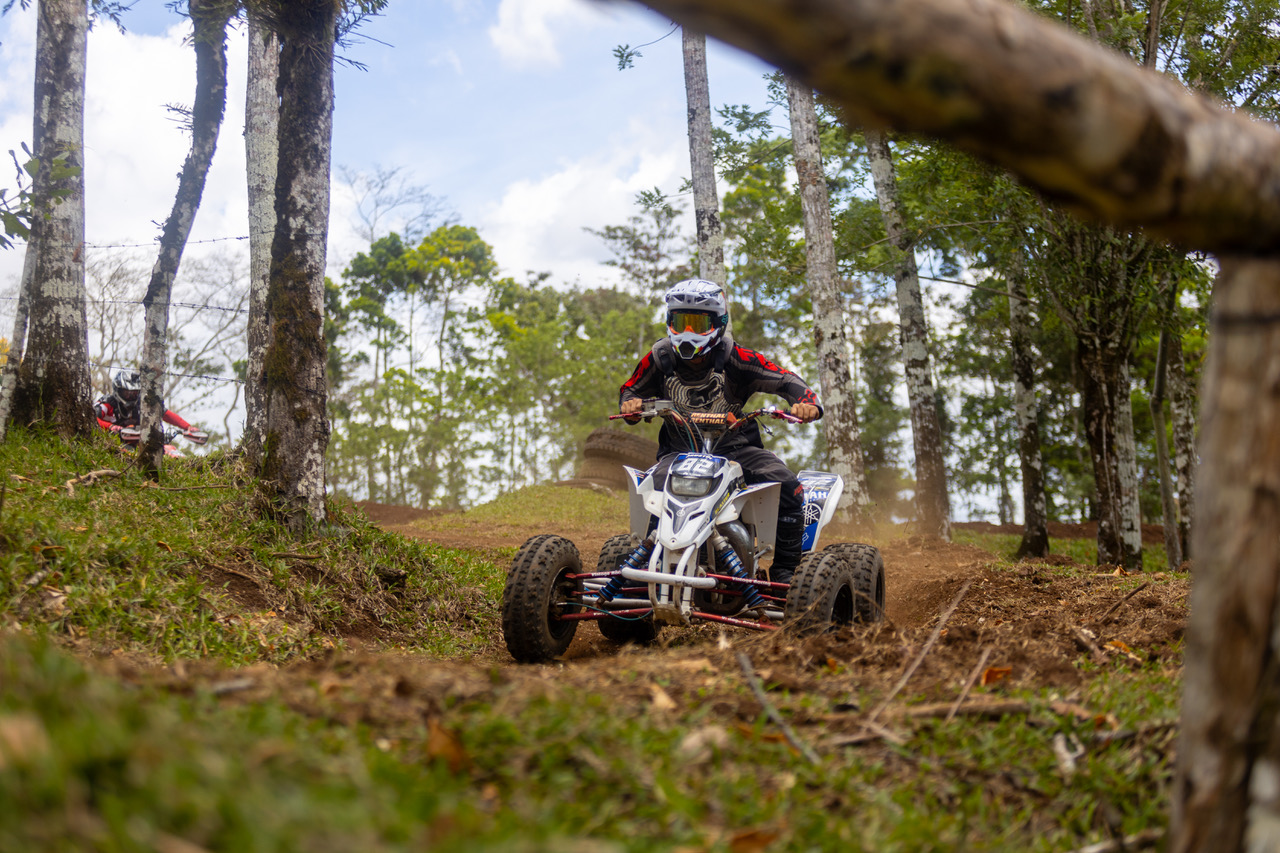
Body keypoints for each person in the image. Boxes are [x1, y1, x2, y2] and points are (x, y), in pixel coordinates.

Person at [618, 278, 822, 585]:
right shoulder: (660, 358)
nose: (688, 332)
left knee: (788, 485)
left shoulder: (737, 358)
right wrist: (630, 405)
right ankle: (648, 569)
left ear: (718, 322)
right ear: (668, 321)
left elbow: (784, 380)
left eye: (697, 323)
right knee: (653, 491)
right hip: (677, 453)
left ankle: (785, 572)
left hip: (737, 449)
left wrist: (806, 402)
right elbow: (631, 389)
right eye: (680, 321)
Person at [94, 369, 204, 447]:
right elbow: (92, 418)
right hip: (112, 445)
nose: (130, 396)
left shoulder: (142, 404)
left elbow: (164, 413)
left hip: (141, 445)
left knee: (169, 449)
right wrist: (112, 428)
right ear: (118, 390)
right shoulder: (108, 403)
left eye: (134, 393)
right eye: (127, 393)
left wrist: (187, 427)